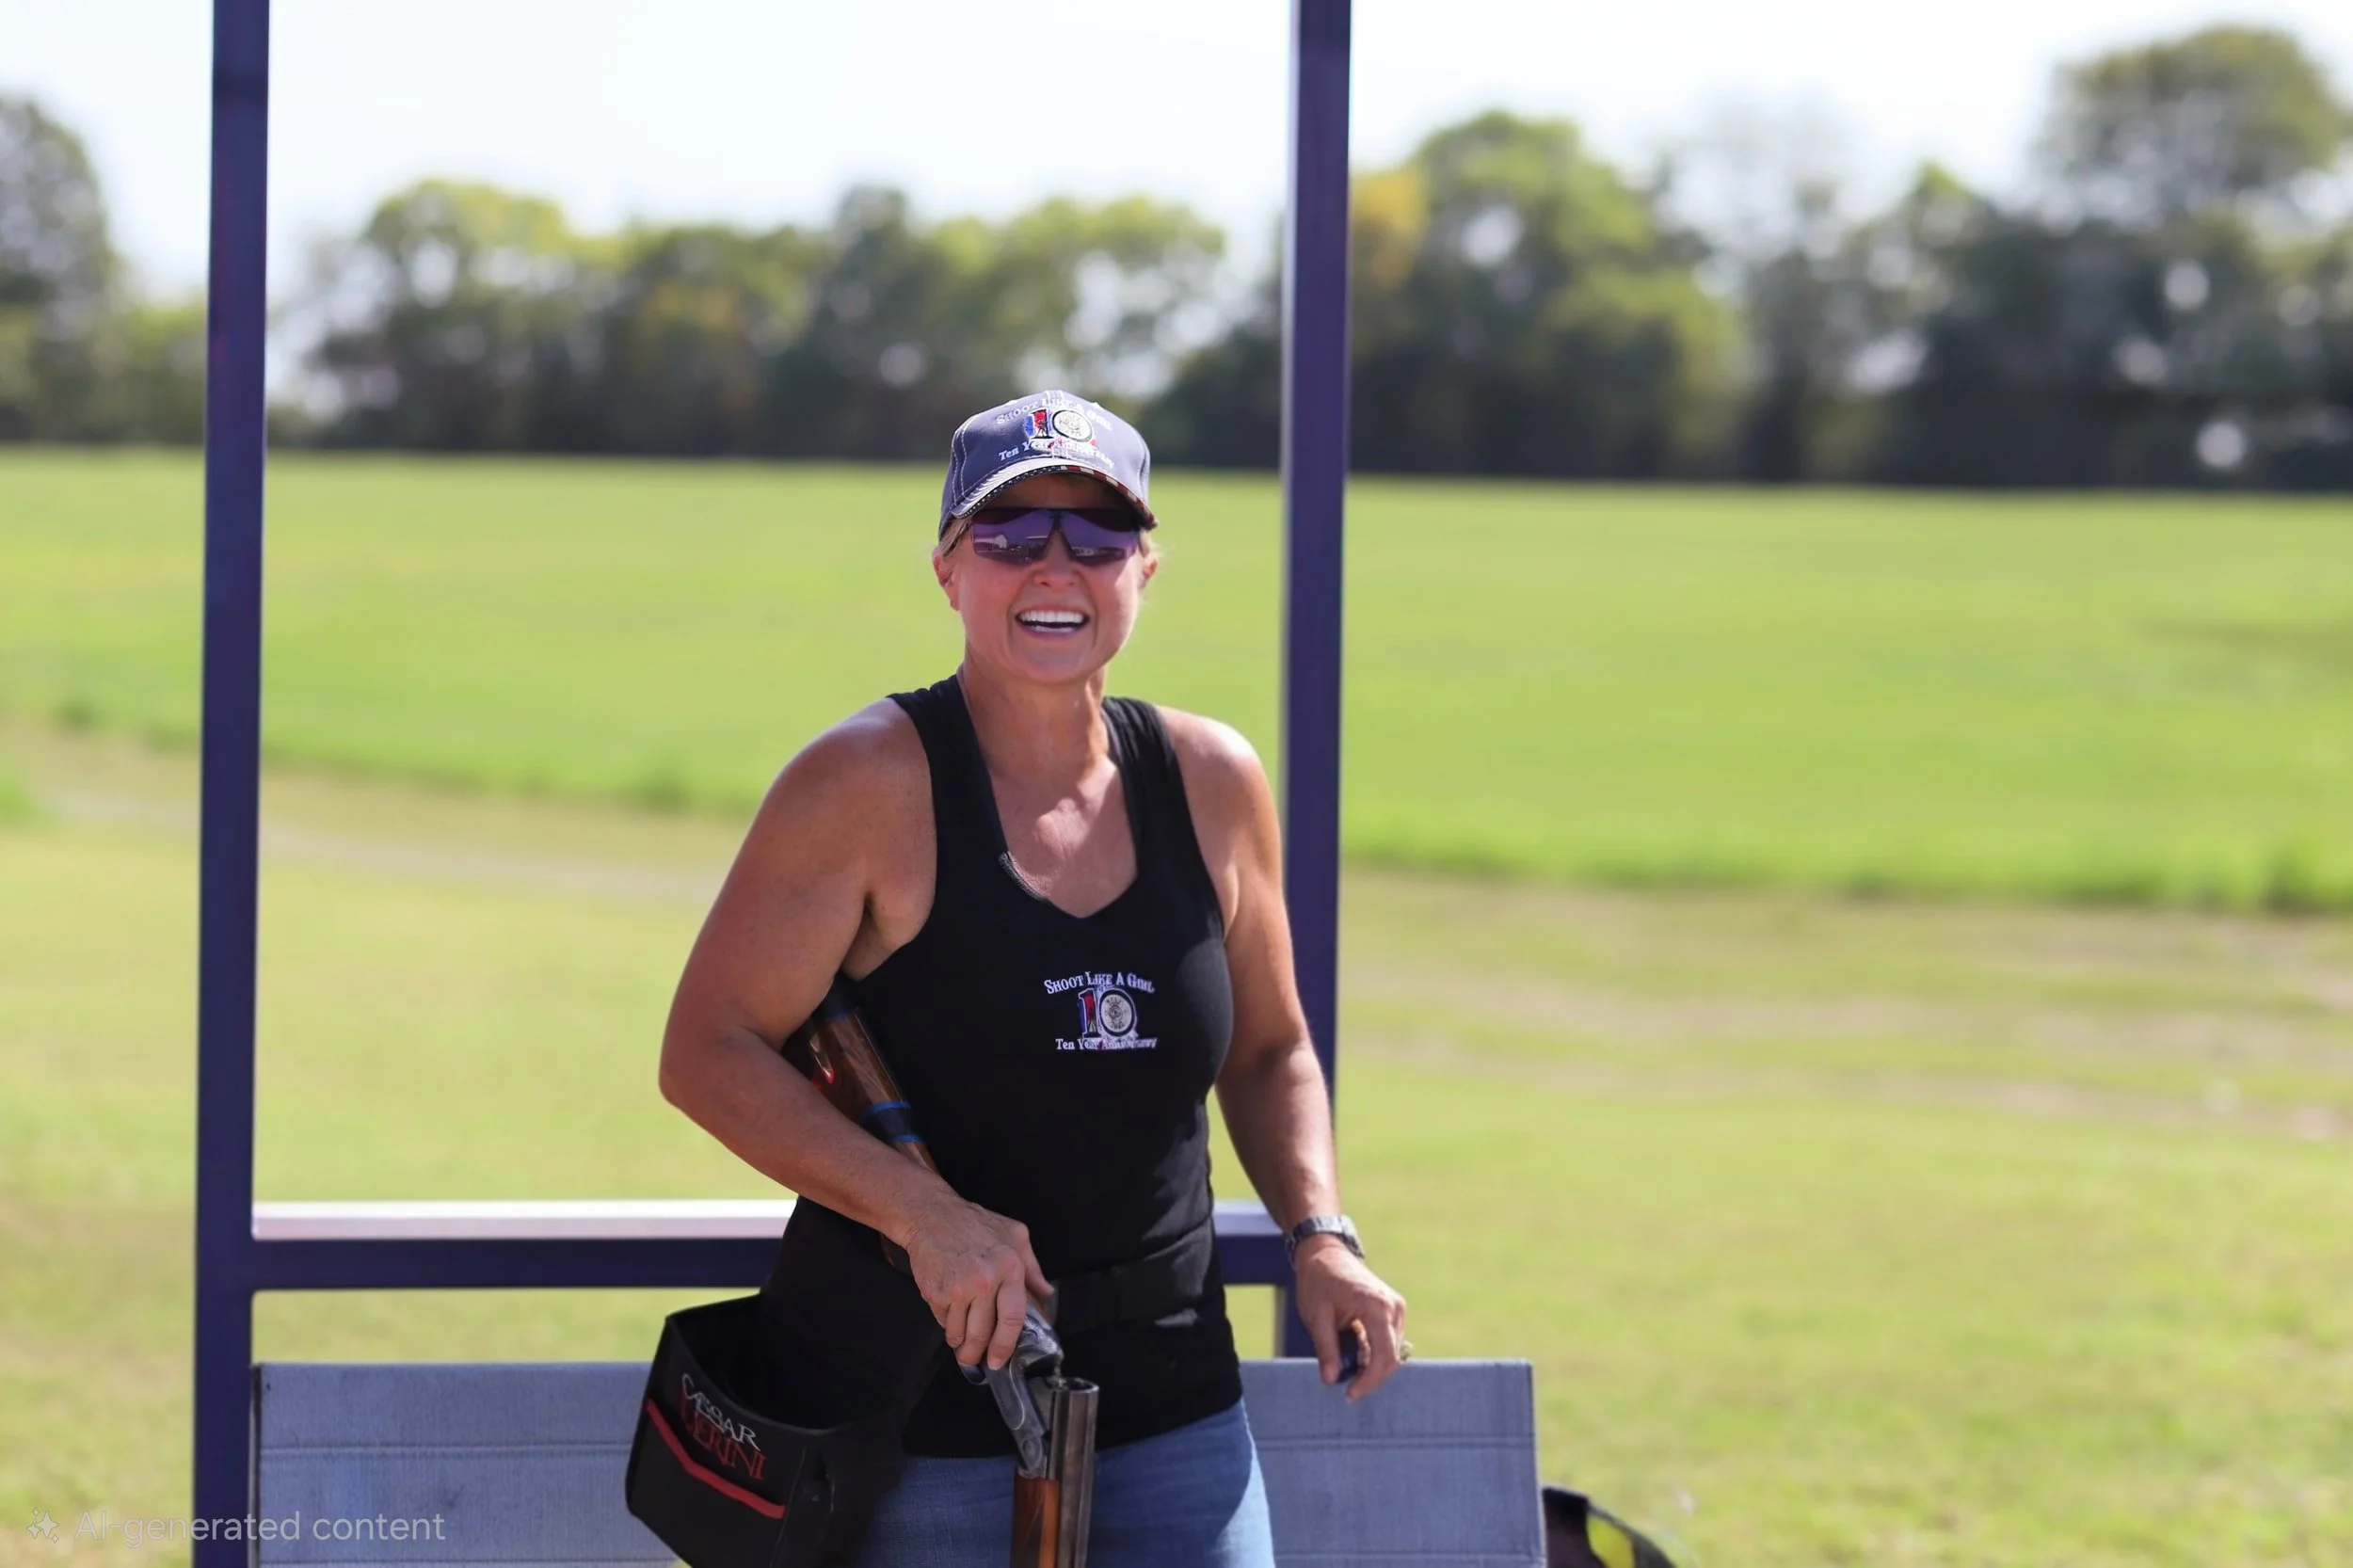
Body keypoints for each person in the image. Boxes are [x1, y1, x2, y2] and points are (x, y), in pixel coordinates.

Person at [658, 390, 1408, 1567]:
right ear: (950, 569)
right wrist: (926, 1218)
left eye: (1096, 537)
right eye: (1011, 536)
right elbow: (708, 1050)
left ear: (1144, 570)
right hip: (931, 1425)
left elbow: (1270, 1049)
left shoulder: (1213, 780)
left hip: (1183, 1416)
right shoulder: (861, 784)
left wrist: (1319, 1230)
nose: (1054, 566)